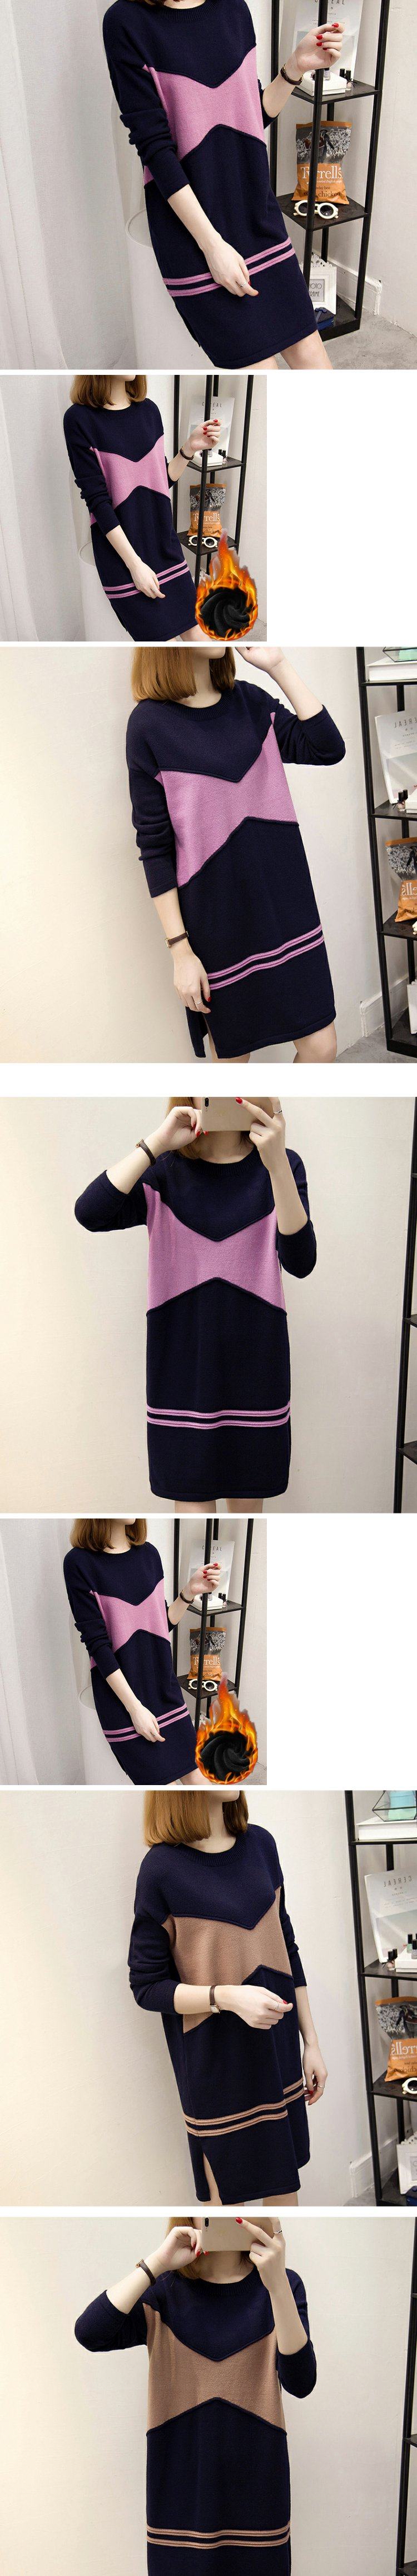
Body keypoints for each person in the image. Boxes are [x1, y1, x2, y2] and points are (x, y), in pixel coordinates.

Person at [74, 1095, 317, 1507]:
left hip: (257, 1382)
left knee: (245, 1521)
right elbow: (90, 1213)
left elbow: (301, 1262)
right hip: (182, 1386)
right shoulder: (164, 1174)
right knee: (191, 1517)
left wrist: (276, 1163)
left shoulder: (283, 1165)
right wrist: (156, 1143)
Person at [127, 639, 345, 1060]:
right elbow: (154, 847)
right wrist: (180, 950)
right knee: (233, 1066)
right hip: (217, 924)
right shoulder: (149, 726)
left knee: (322, 1047)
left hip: (287, 907)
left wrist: (278, 665)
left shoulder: (250, 702)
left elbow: (327, 748)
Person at [103, 3, 344, 369]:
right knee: (262, 376)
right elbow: (156, 152)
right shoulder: (127, 23)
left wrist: (295, 68)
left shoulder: (233, 9)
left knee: (316, 363)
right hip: (194, 236)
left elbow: (248, 116)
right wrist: (213, 247)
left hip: (257, 218)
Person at [75, 2212, 317, 2573]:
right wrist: (157, 2264)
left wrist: (278, 2285)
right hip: (178, 2509)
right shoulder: (163, 2292)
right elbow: (90, 2333)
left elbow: (301, 2383)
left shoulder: (283, 2285)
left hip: (259, 2504)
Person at [128, 1785, 327, 2201]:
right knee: (226, 2214)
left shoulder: (262, 1845)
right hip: (217, 2066)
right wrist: (227, 1998)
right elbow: (147, 1987)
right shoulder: (161, 1870)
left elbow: (287, 1947)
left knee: (283, 2199)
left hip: (278, 2053)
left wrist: (311, 2042)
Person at [63, 1515, 219, 1782]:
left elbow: (159, 1625)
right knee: (162, 1792)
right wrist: (136, 1710)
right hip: (123, 1701)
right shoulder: (79, 1563)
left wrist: (189, 1592)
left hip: (165, 1690)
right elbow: (98, 1647)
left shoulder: (149, 1555)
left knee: (200, 1781)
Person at [63, 372, 219, 637]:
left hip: (165, 546)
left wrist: (189, 448)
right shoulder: (79, 419)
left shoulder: (149, 411)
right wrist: (135, 566)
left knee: (201, 640)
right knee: (161, 648)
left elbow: (159, 482)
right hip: (123, 558)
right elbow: (98, 504)